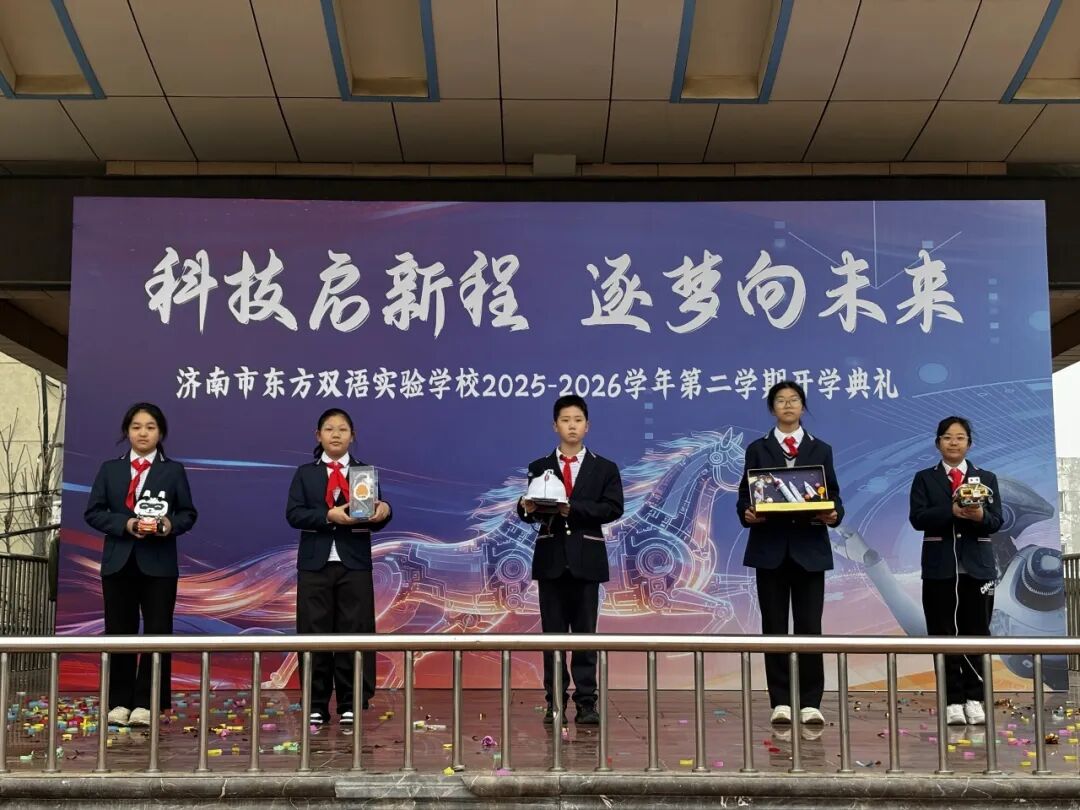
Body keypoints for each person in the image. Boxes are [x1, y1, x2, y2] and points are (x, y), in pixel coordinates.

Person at [84, 402, 197, 727]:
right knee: (119, 631)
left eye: (150, 427)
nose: (143, 433)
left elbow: (188, 514)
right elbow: (93, 512)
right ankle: (119, 702)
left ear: (160, 432)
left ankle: (148, 702)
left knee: (158, 631)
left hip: (159, 565)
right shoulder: (110, 469)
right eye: (136, 427)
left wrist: (168, 525)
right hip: (118, 562)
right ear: (127, 431)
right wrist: (126, 524)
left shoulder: (172, 470)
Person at [736, 380, 842, 726]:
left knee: (810, 627)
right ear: (772, 408)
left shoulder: (821, 449)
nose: (787, 405)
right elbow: (744, 496)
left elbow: (834, 495)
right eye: (780, 400)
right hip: (770, 550)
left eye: (793, 400)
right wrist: (747, 513)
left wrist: (834, 514)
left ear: (802, 406)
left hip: (809, 550)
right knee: (774, 627)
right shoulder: (757, 448)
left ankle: (810, 702)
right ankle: (780, 701)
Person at [517, 395, 623, 725]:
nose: (572, 426)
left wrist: (572, 509)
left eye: (577, 420)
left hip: (587, 561)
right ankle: (555, 702)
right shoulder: (539, 466)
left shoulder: (604, 467)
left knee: (584, 637)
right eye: (565, 420)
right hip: (551, 560)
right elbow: (529, 512)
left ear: (587, 426)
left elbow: (613, 508)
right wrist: (525, 508)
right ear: (555, 426)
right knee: (552, 637)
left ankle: (587, 702)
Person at [286, 408, 392, 726]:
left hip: (354, 563)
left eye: (342, 429)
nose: (336, 434)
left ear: (352, 436)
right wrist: (327, 516)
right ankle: (316, 703)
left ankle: (351, 701)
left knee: (354, 632)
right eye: (329, 429)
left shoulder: (364, 473)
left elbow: (374, 515)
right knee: (313, 633)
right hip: (315, 564)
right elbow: (294, 514)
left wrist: (385, 511)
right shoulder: (305, 473)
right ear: (318, 435)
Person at [909, 416, 1002, 726]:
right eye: (947, 437)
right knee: (942, 634)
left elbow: (997, 521)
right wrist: (950, 510)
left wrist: (979, 516)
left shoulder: (985, 478)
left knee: (977, 633)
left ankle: (975, 698)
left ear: (969, 443)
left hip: (978, 568)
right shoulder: (925, 478)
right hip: (939, 568)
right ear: (938, 443)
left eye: (960, 437)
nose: (953, 442)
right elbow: (918, 518)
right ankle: (952, 700)